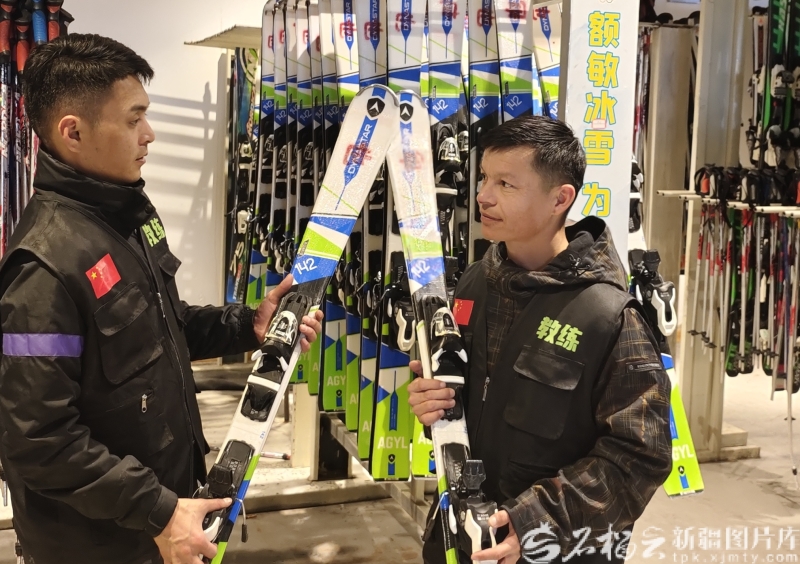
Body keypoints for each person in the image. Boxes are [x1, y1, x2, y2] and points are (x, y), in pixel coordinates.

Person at [0, 34, 323, 564]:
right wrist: (158, 512)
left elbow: (164, 327)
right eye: (134, 119)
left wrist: (249, 326)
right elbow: (39, 441)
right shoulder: (43, 269)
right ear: (73, 132)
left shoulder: (127, 214)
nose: (149, 134)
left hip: (164, 519)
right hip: (101, 546)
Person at [408, 116, 673, 564]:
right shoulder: (473, 284)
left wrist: (534, 522)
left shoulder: (608, 315)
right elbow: (474, 406)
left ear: (560, 199)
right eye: (484, 178)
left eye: (506, 184)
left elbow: (640, 456)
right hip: (463, 536)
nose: (483, 196)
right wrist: (433, 401)